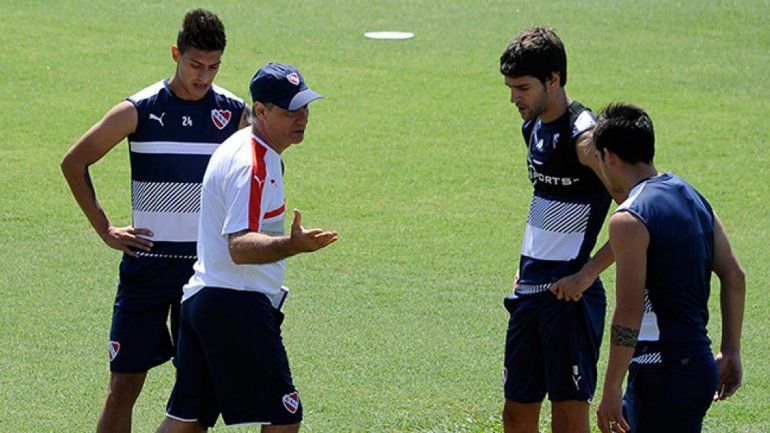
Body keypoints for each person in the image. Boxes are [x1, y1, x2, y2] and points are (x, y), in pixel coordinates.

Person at [60, 9, 248, 433]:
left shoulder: (235, 114)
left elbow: (259, 176)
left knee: (197, 388)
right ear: (175, 53)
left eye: (214, 66)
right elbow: (74, 162)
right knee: (124, 385)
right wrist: (105, 228)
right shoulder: (139, 110)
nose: (204, 77)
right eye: (195, 65)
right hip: (146, 267)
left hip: (204, 273)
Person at [155, 62, 337, 433]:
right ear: (261, 111)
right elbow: (239, 246)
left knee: (186, 422)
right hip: (234, 304)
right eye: (289, 111)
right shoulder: (253, 163)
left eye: (305, 107)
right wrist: (293, 244)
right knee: (284, 416)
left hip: (204, 300)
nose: (301, 118)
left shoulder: (243, 148)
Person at [499, 26, 623, 433]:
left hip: (569, 301)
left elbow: (639, 215)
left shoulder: (585, 138)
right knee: (516, 414)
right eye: (510, 87)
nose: (514, 98)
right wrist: (526, 263)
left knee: (568, 419)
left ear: (553, 79)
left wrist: (587, 274)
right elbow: (548, 201)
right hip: (530, 291)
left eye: (523, 87)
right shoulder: (532, 128)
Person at [593, 103, 745, 433]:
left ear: (610, 157)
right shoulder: (693, 197)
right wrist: (730, 351)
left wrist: (610, 389)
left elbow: (629, 312)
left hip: (661, 372)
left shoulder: (628, 218)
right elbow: (734, 275)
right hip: (697, 366)